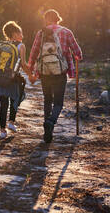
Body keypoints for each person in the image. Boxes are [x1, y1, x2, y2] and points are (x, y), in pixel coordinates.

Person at [28, 9, 82, 143]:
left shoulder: (41, 33)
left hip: (44, 71)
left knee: (47, 99)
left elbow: (34, 52)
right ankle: (51, 121)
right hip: (60, 72)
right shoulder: (66, 32)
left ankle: (47, 129)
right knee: (58, 102)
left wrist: (31, 68)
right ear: (58, 19)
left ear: (46, 20)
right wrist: (75, 58)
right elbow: (78, 53)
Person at [0, 21, 32, 139]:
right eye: (20, 32)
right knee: (16, 99)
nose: (22, 35)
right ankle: (11, 123)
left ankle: (2, 131)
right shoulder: (21, 46)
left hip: (1, 78)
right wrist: (31, 75)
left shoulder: (1, 45)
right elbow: (23, 64)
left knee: (3, 104)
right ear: (14, 33)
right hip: (13, 79)